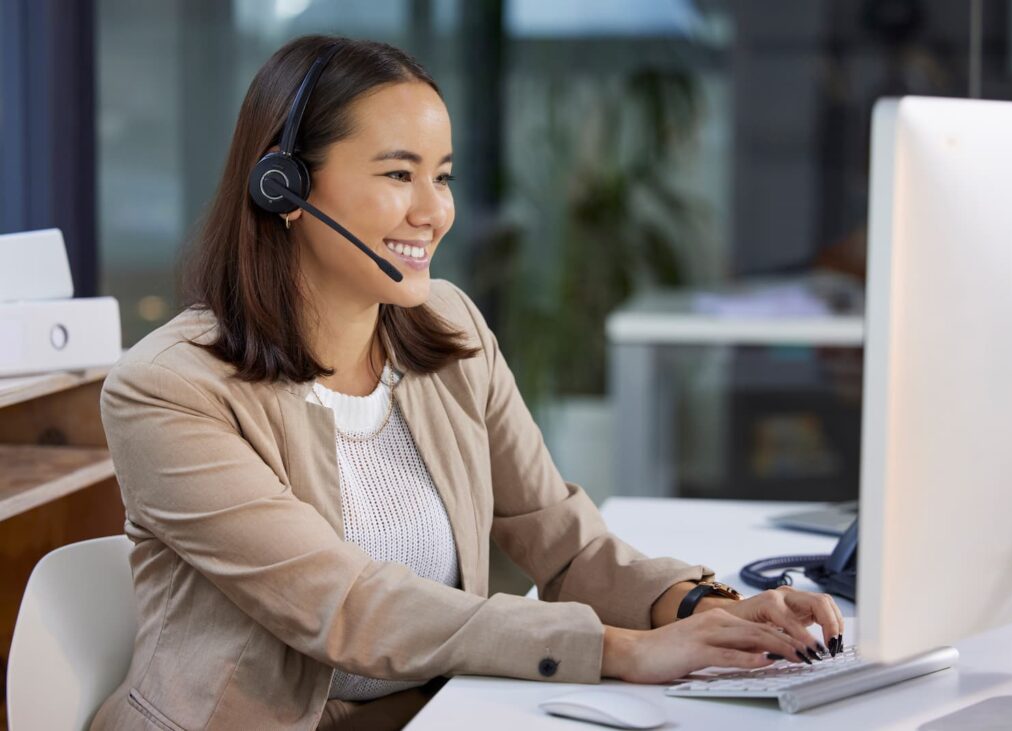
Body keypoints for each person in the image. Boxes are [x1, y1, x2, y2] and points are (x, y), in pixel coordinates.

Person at [90, 35, 845, 731]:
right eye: (398, 174)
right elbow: (347, 606)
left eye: (442, 176)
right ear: (283, 187)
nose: (434, 211)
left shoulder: (446, 329)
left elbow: (559, 538)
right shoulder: (168, 390)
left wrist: (705, 608)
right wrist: (626, 649)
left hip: (433, 713)